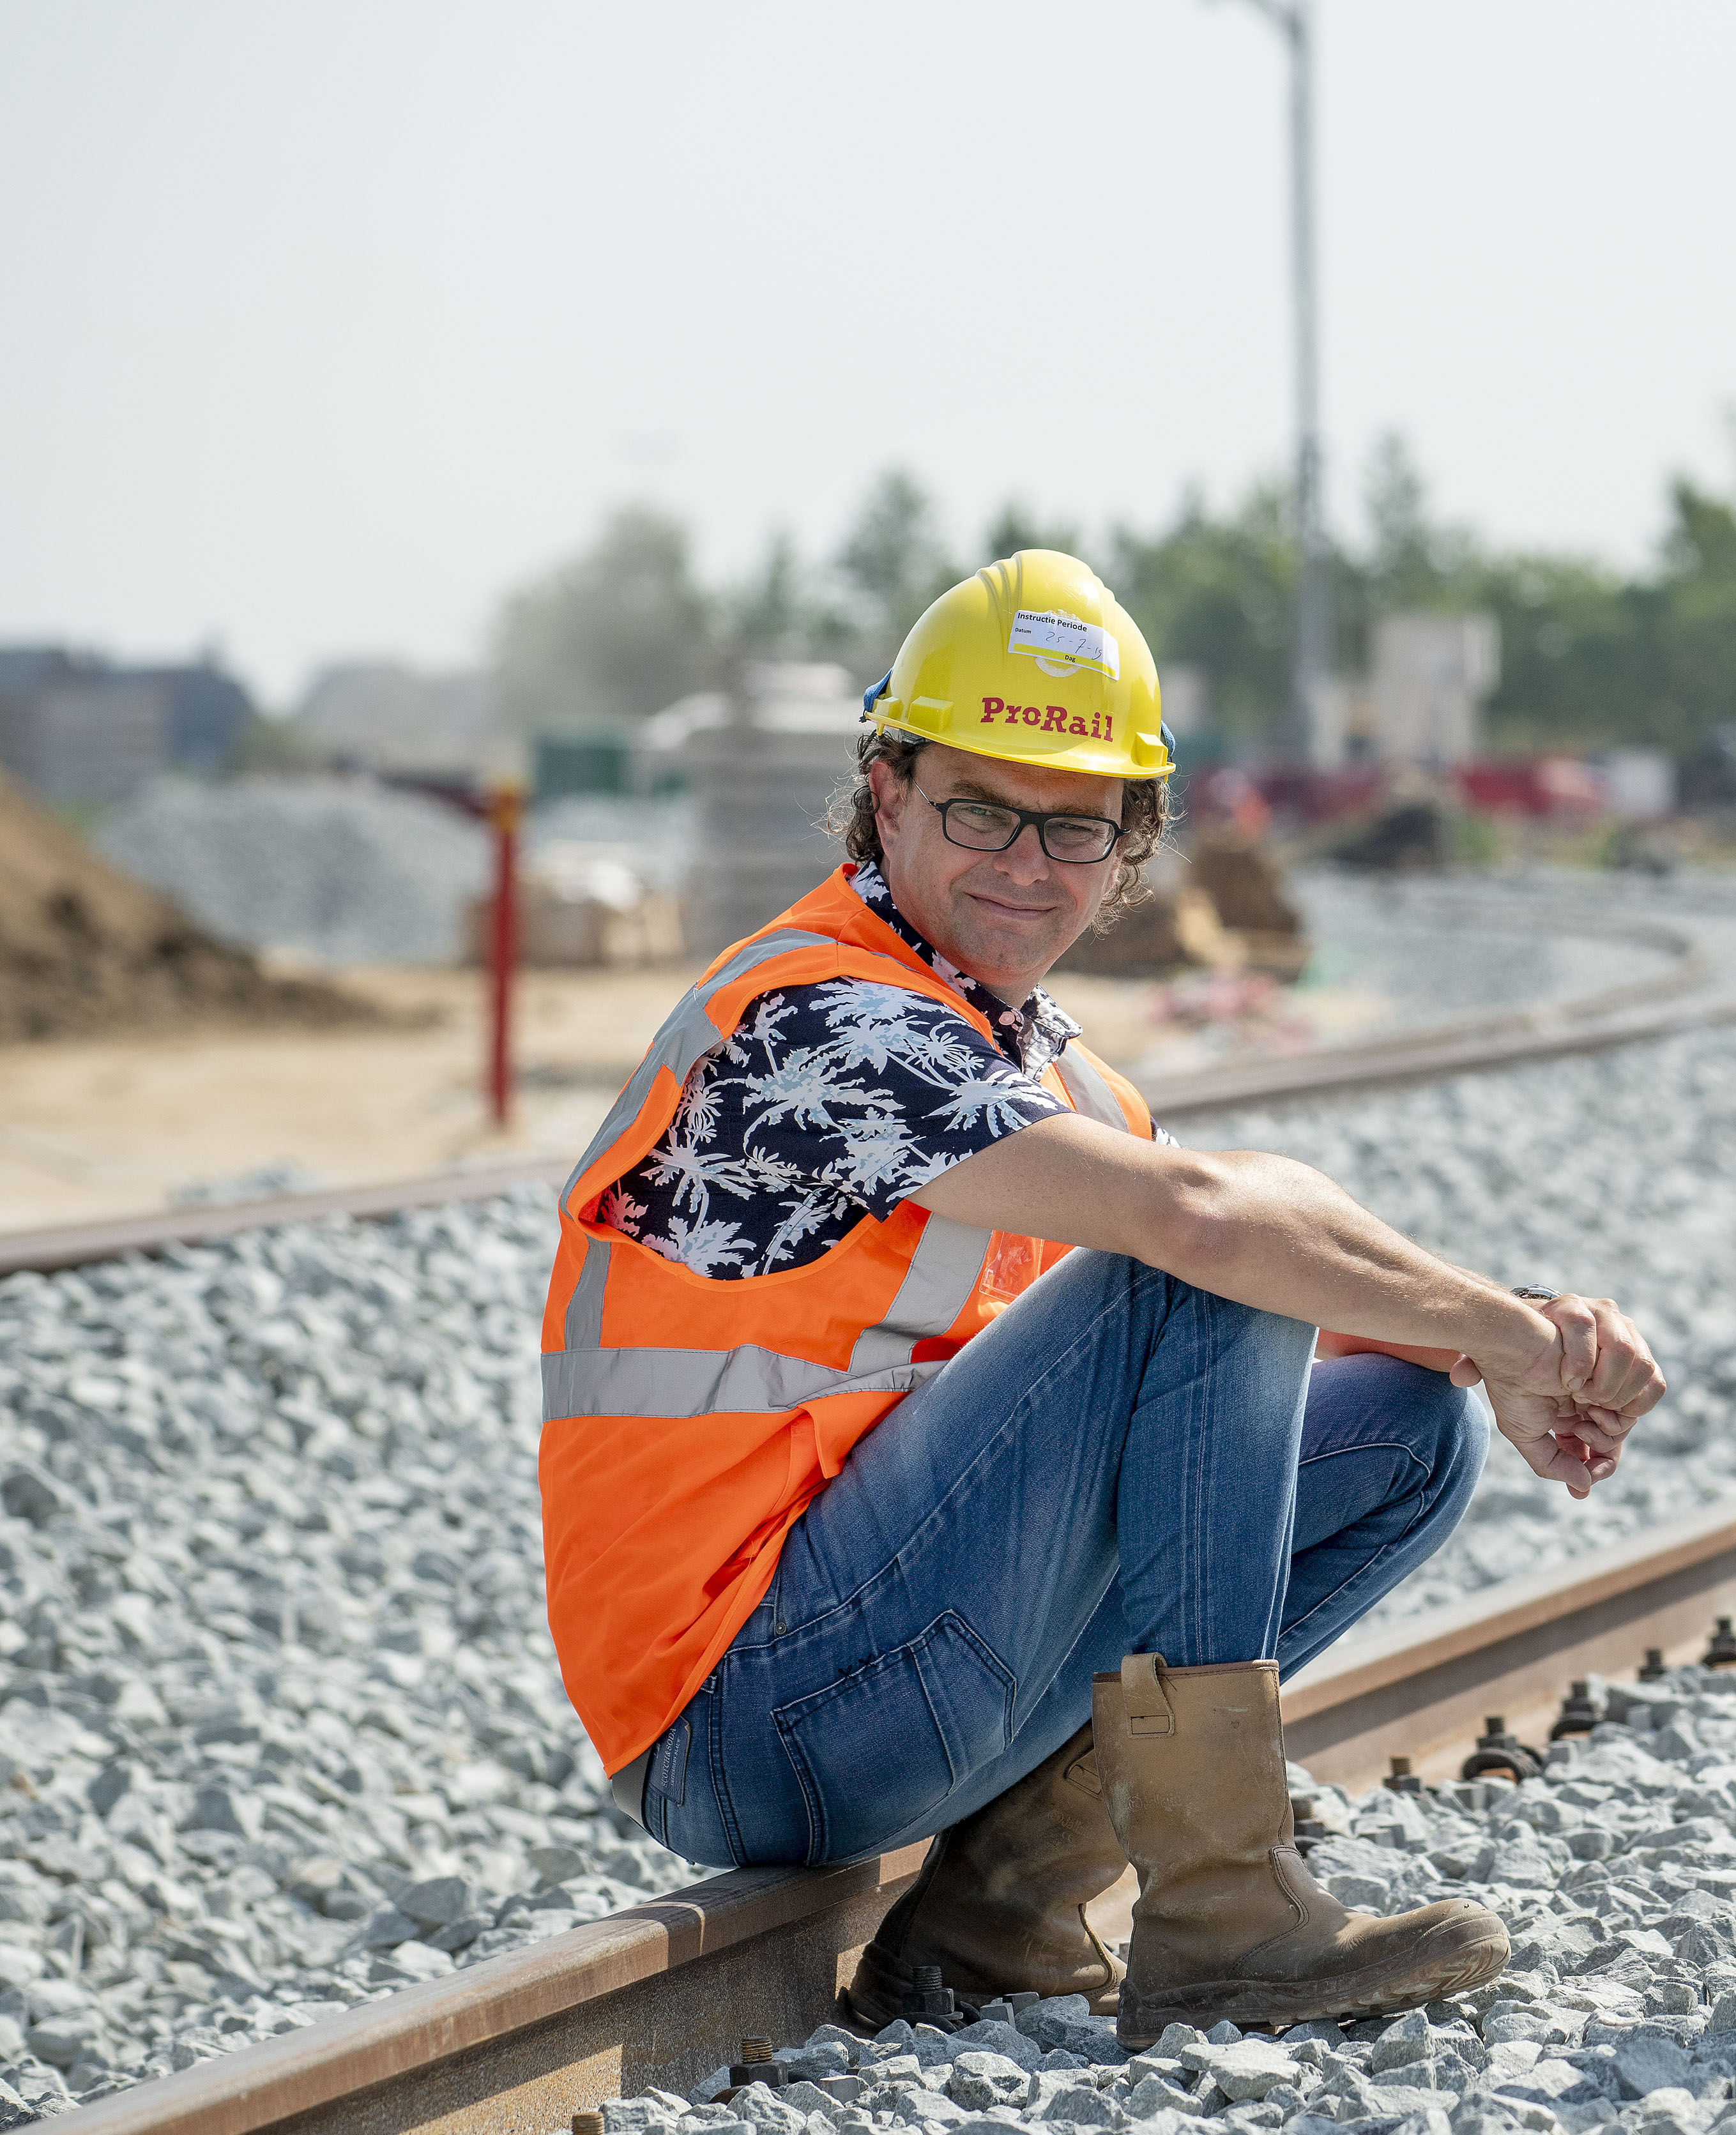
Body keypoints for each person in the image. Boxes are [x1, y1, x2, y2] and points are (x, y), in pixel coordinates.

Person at [538, 552, 1664, 2037]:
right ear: (887, 795)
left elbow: (1258, 1313)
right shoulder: (814, 1020)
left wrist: (1492, 1352)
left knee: (1408, 1428)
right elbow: (1209, 1234)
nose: (1024, 860)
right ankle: (1222, 1911)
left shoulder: (1045, 1070)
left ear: (1132, 848)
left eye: (1075, 827)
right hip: (752, 1715)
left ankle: (997, 1914)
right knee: (1202, 1253)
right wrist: (1519, 1335)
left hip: (884, 1661)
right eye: (977, 809)